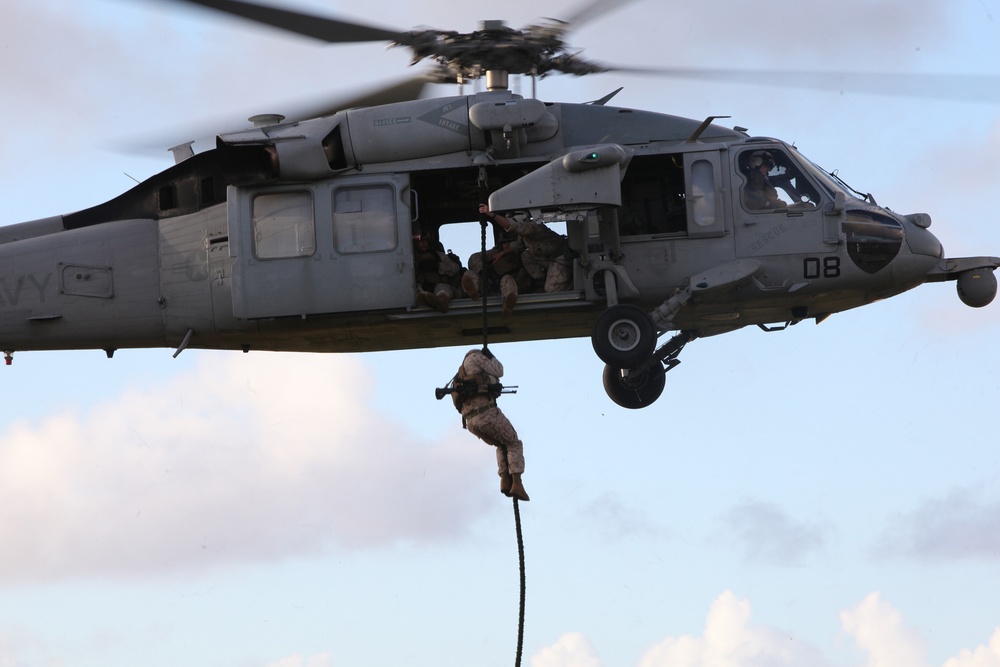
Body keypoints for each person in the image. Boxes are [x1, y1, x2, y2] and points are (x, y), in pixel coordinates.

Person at [448, 348, 529, 501]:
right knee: (513, 442)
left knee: (501, 443)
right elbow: (500, 370)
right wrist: (490, 355)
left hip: (471, 421)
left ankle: (505, 480)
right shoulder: (476, 358)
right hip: (486, 414)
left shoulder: (462, 371)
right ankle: (517, 484)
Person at [478, 204, 573, 293]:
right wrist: (502, 253)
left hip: (561, 258)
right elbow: (519, 246)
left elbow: (512, 226)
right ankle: (540, 282)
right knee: (525, 255)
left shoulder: (534, 227)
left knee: (551, 289)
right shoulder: (523, 236)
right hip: (549, 259)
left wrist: (492, 215)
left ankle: (570, 284)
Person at [462, 232, 532, 317]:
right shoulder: (494, 253)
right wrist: (484, 272)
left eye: (509, 242)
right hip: (488, 286)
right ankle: (472, 291)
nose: (506, 244)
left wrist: (503, 253)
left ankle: (508, 304)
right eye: (504, 242)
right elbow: (474, 258)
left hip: (508, 287)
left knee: (507, 279)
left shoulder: (522, 254)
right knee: (470, 274)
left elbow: (524, 247)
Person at [413, 231, 464, 313]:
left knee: (442, 289)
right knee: (419, 293)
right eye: (420, 241)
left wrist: (437, 266)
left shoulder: (439, 255)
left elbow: (455, 268)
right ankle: (427, 299)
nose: (423, 244)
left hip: (442, 286)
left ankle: (441, 302)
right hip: (423, 287)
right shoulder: (412, 258)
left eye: (425, 241)